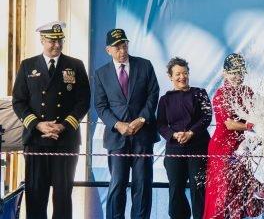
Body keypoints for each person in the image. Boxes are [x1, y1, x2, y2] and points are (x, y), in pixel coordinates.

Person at [11, 21, 90, 219]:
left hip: (65, 140)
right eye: (52, 41)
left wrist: (62, 126)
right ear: (42, 40)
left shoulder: (75, 65)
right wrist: (38, 124)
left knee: (63, 196)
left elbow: (84, 101)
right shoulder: (28, 65)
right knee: (36, 194)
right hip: (36, 140)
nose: (56, 45)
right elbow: (19, 101)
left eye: (60, 40)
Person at [93, 28, 159, 219]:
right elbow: (100, 105)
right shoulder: (101, 74)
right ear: (108, 50)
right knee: (117, 183)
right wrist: (118, 124)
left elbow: (153, 94)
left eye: (124, 45)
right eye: (117, 47)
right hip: (117, 137)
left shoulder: (145, 66)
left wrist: (142, 119)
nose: (122, 50)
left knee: (143, 184)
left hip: (143, 135)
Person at [203, 53, 264, 219]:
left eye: (240, 72)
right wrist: (252, 126)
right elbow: (229, 124)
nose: (238, 76)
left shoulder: (248, 92)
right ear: (224, 73)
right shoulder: (220, 95)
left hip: (242, 148)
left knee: (240, 192)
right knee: (223, 193)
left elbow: (258, 113)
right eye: (233, 72)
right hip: (222, 149)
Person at [157, 57, 212, 219]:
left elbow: (206, 117)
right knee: (175, 188)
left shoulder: (200, 93)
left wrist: (190, 133)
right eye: (178, 74)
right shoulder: (165, 99)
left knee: (198, 188)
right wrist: (173, 135)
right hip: (175, 148)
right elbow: (160, 124)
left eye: (185, 73)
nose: (182, 77)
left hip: (198, 147)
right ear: (170, 77)